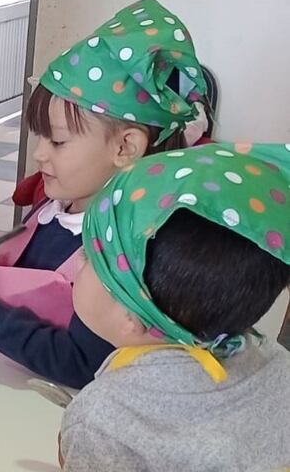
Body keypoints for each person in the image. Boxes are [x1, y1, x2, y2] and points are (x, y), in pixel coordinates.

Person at [0, 0, 209, 387]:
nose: (39, 154)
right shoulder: (58, 204)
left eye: (59, 142)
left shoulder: (127, 253)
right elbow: (39, 269)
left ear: (125, 148)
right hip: (3, 380)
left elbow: (85, 365)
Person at [58, 142, 290, 470]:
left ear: (130, 315)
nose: (76, 264)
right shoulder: (277, 362)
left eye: (90, 258)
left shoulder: (103, 420)